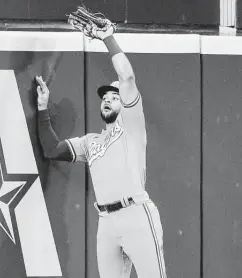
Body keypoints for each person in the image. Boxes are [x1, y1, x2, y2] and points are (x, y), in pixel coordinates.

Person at [35, 26, 167, 278]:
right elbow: (52, 149)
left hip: (136, 215)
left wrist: (107, 37)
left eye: (114, 97)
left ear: (126, 103)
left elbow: (126, 78)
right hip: (106, 222)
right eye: (105, 96)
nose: (107, 99)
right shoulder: (90, 141)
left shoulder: (132, 124)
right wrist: (42, 108)